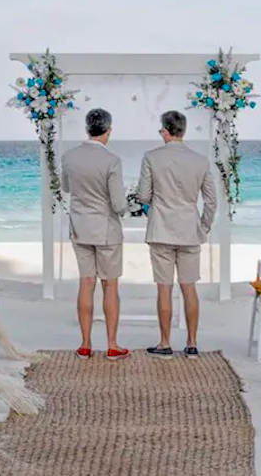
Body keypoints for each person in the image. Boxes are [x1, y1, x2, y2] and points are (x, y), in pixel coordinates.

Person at [137, 110, 217, 359]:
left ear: (165, 130)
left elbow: (143, 196)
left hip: (161, 230)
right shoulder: (200, 160)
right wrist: (203, 227)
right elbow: (212, 201)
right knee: (189, 287)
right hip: (189, 232)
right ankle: (192, 343)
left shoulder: (151, 157)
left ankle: (164, 343)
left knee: (164, 289)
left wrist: (155, 205)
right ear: (183, 130)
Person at [61, 108, 130, 361]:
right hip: (106, 231)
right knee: (110, 285)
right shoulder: (112, 161)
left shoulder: (69, 156)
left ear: (87, 129)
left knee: (86, 283)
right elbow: (119, 204)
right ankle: (112, 345)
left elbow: (67, 188)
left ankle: (85, 345)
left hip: (80, 228)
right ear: (108, 130)